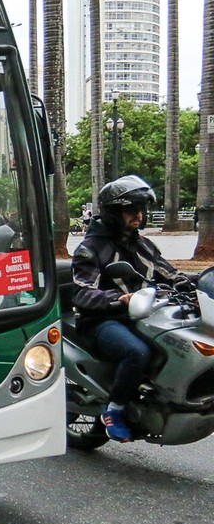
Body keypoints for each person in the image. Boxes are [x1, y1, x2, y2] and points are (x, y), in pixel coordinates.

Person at [71, 175, 193, 442]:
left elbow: (169, 273)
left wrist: (194, 284)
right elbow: (81, 292)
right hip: (100, 321)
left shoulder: (143, 245)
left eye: (142, 209)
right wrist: (119, 299)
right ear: (114, 212)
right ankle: (114, 410)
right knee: (137, 352)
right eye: (131, 210)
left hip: (144, 315)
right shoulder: (90, 249)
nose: (139, 215)